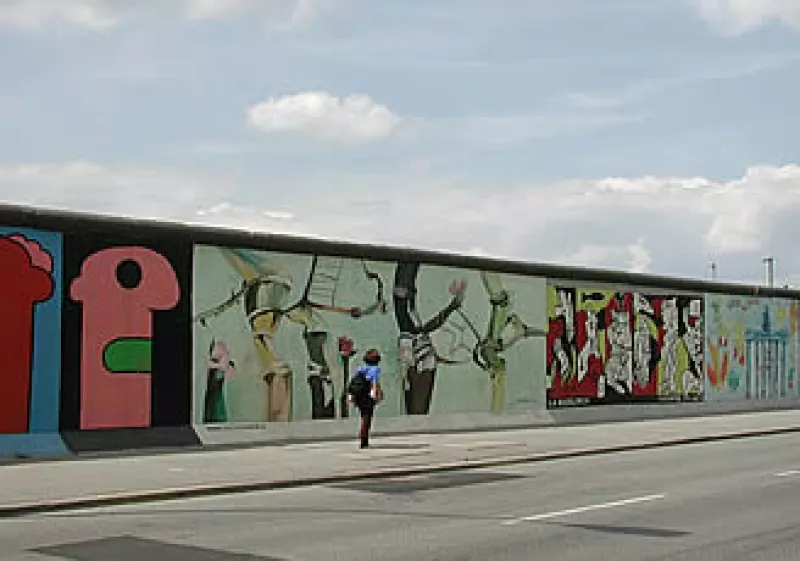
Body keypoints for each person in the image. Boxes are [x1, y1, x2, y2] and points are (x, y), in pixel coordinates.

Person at [348, 348, 383, 448]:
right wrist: (376, 395)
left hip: (358, 396)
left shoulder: (361, 368)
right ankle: (364, 438)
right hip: (367, 395)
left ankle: (364, 435)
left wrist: (352, 395)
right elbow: (374, 383)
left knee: (364, 415)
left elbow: (354, 381)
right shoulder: (375, 369)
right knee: (367, 416)